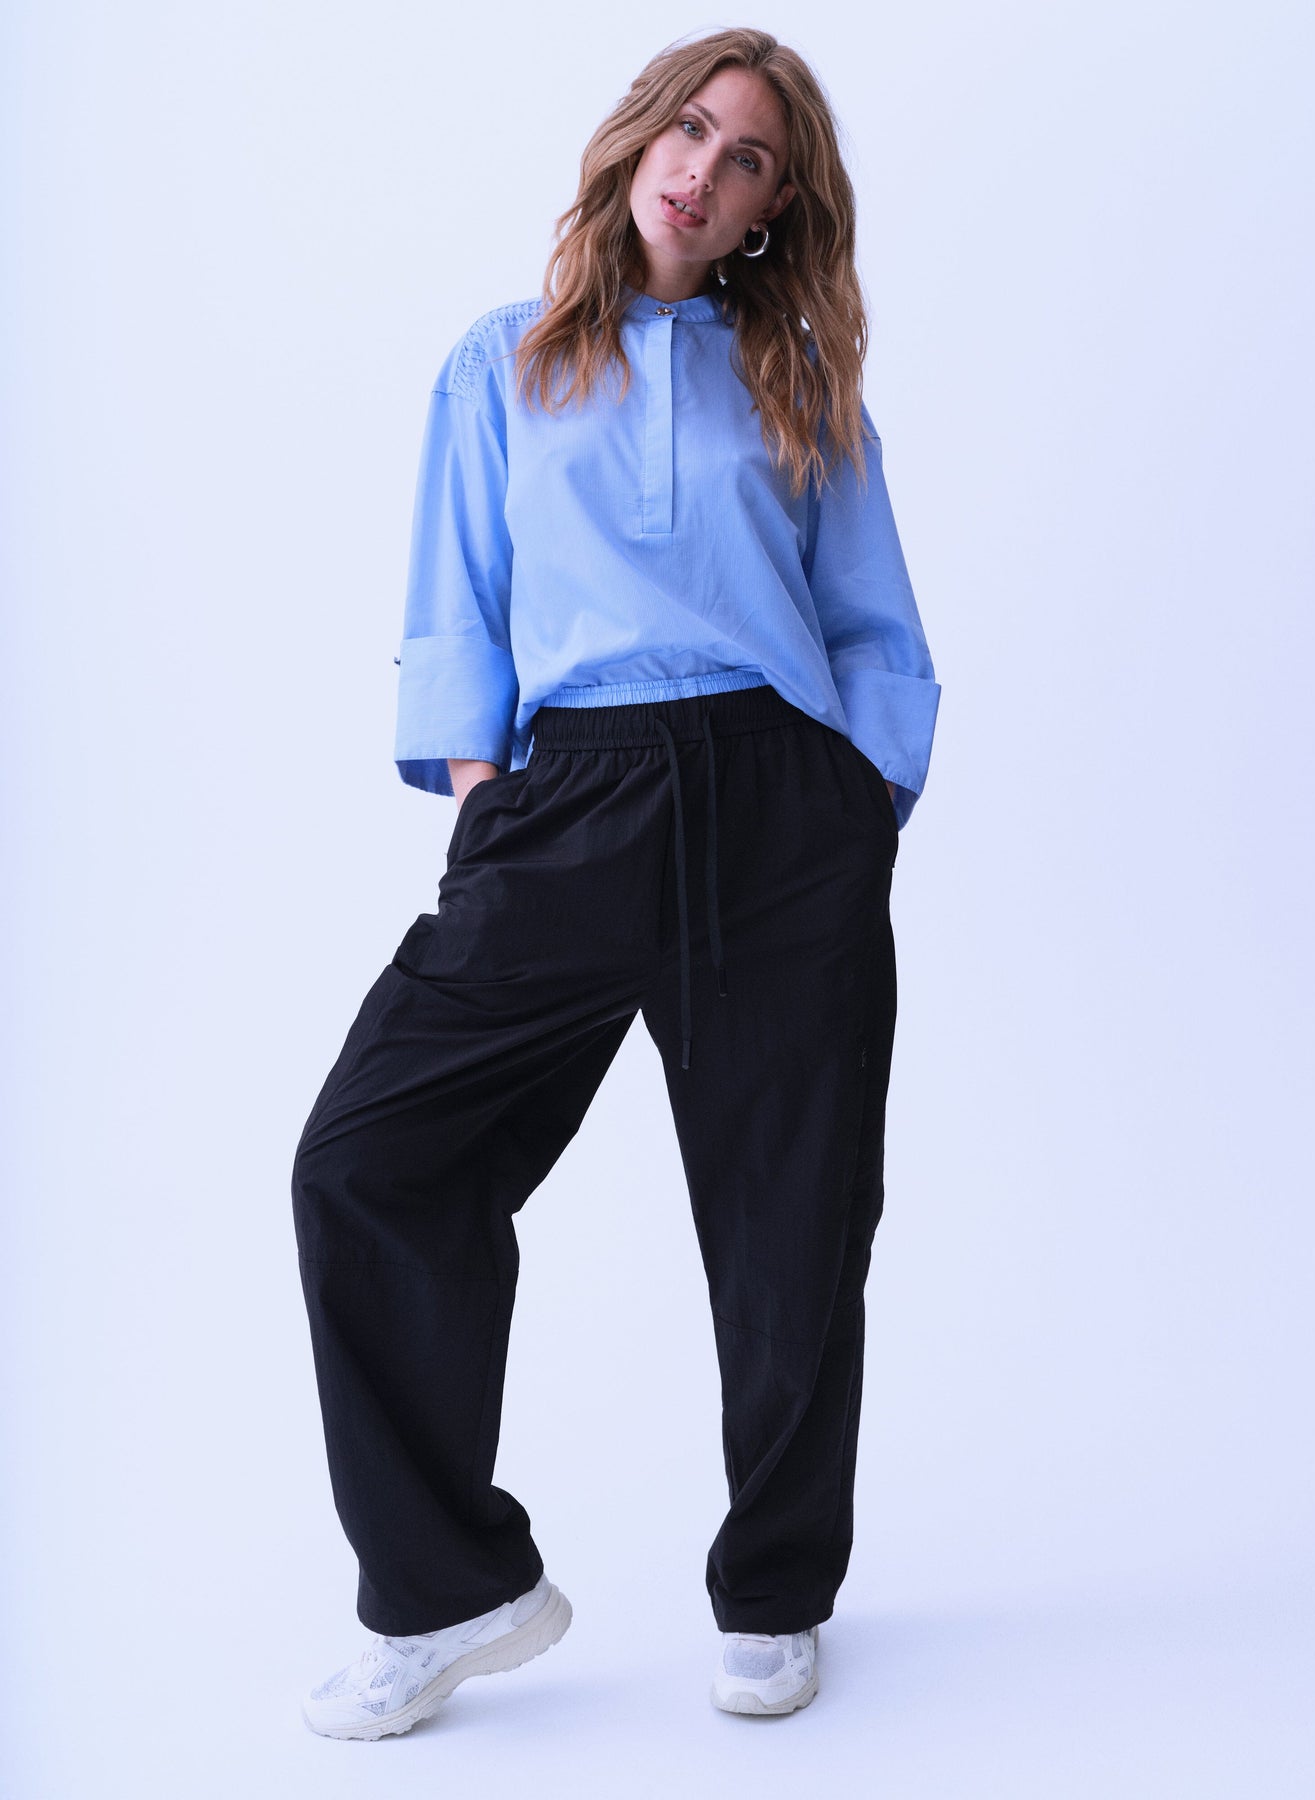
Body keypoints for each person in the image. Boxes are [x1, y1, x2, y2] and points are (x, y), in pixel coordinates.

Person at [291, 25, 941, 1738]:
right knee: (368, 1161)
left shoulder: (794, 372)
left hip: (779, 803)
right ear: (636, 136)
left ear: (768, 207)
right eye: (689, 128)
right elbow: (455, 598)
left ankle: (775, 1590)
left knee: (794, 1216)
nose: (703, 169)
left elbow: (870, 618)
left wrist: (858, 802)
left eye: (747, 158)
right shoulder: (498, 360)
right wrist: (489, 800)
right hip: (568, 798)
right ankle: (446, 1588)